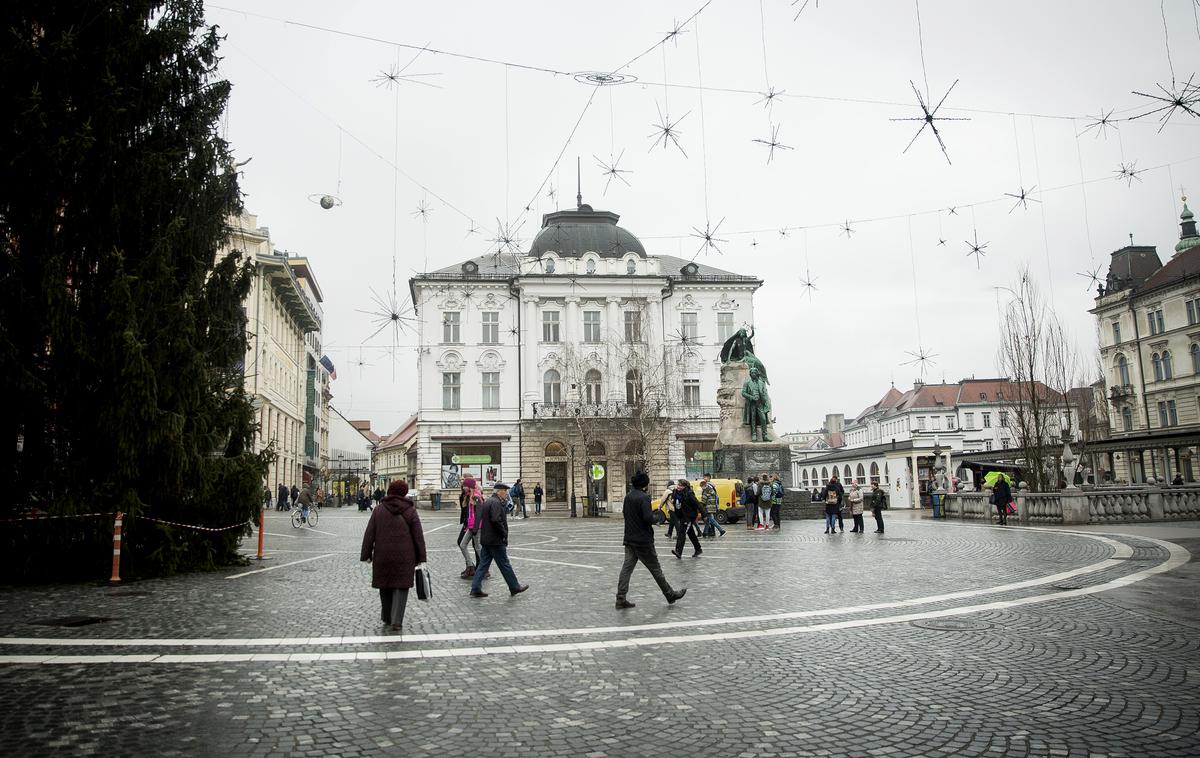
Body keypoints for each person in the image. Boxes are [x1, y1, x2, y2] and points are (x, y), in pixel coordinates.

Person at [360, 480, 426, 631]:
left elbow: (369, 534)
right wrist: (422, 558)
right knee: (401, 587)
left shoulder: (379, 509)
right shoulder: (410, 510)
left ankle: (387, 617)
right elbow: (418, 537)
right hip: (405, 556)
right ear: (404, 492)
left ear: (389, 491)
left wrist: (366, 554)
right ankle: (396, 620)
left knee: (385, 585)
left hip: (382, 554)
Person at [616, 472, 687, 609]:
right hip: (643, 541)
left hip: (629, 539)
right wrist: (657, 519)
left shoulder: (628, 497)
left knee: (626, 569)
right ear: (644, 484)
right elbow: (648, 517)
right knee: (656, 569)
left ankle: (620, 598)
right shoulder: (644, 498)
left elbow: (626, 514)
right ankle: (669, 594)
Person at [469, 483, 529, 598]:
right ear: (499, 491)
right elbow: (496, 520)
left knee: (483, 565)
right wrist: (503, 533)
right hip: (495, 540)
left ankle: (475, 588)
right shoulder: (496, 503)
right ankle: (514, 586)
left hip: (486, 539)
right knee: (504, 564)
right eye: (505, 491)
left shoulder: (488, 501)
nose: (506, 493)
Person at [457, 477, 482, 579]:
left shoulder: (476, 497)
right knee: (462, 545)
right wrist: (467, 526)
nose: (463, 487)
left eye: (465, 486)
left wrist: (475, 528)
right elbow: (468, 514)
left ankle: (484, 568)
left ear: (470, 487)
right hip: (470, 526)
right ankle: (470, 566)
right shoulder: (469, 496)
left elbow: (479, 514)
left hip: (476, 527)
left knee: (478, 548)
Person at [672, 479, 703, 559]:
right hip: (682, 515)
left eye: (680, 485)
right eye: (678, 484)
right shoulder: (675, 493)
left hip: (689, 516)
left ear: (685, 486)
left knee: (682, 532)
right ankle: (698, 549)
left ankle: (678, 551)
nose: (678, 486)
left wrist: (704, 514)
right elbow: (676, 503)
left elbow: (697, 504)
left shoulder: (688, 493)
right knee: (691, 533)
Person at [700, 473, 726, 538]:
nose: (704, 478)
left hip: (708, 506)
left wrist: (701, 505)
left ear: (708, 477)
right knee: (708, 520)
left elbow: (704, 499)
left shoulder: (707, 489)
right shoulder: (711, 488)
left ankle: (721, 530)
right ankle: (705, 532)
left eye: (705, 477)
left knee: (711, 520)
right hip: (712, 506)